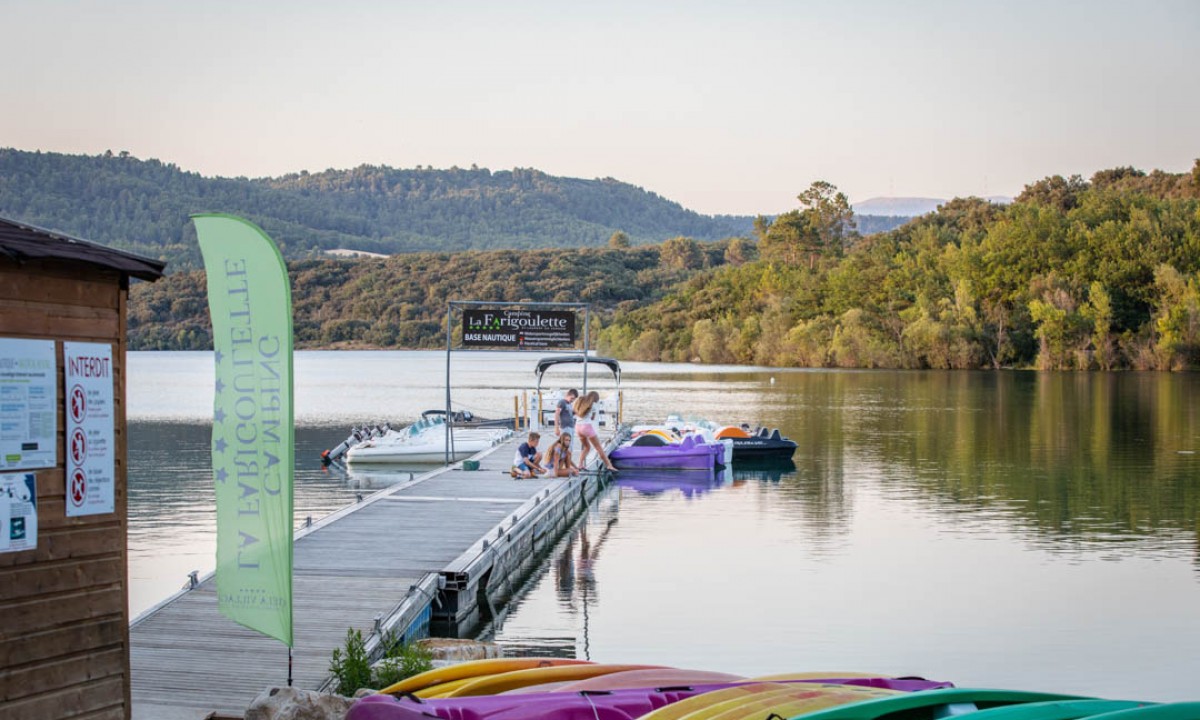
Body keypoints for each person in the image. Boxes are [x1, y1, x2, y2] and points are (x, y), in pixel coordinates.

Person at [574, 391, 617, 472]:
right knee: (599, 448)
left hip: (577, 427)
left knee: (587, 447)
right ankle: (609, 465)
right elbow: (593, 418)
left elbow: (576, 411)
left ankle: (580, 465)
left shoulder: (580, 401)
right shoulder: (593, 405)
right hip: (586, 427)